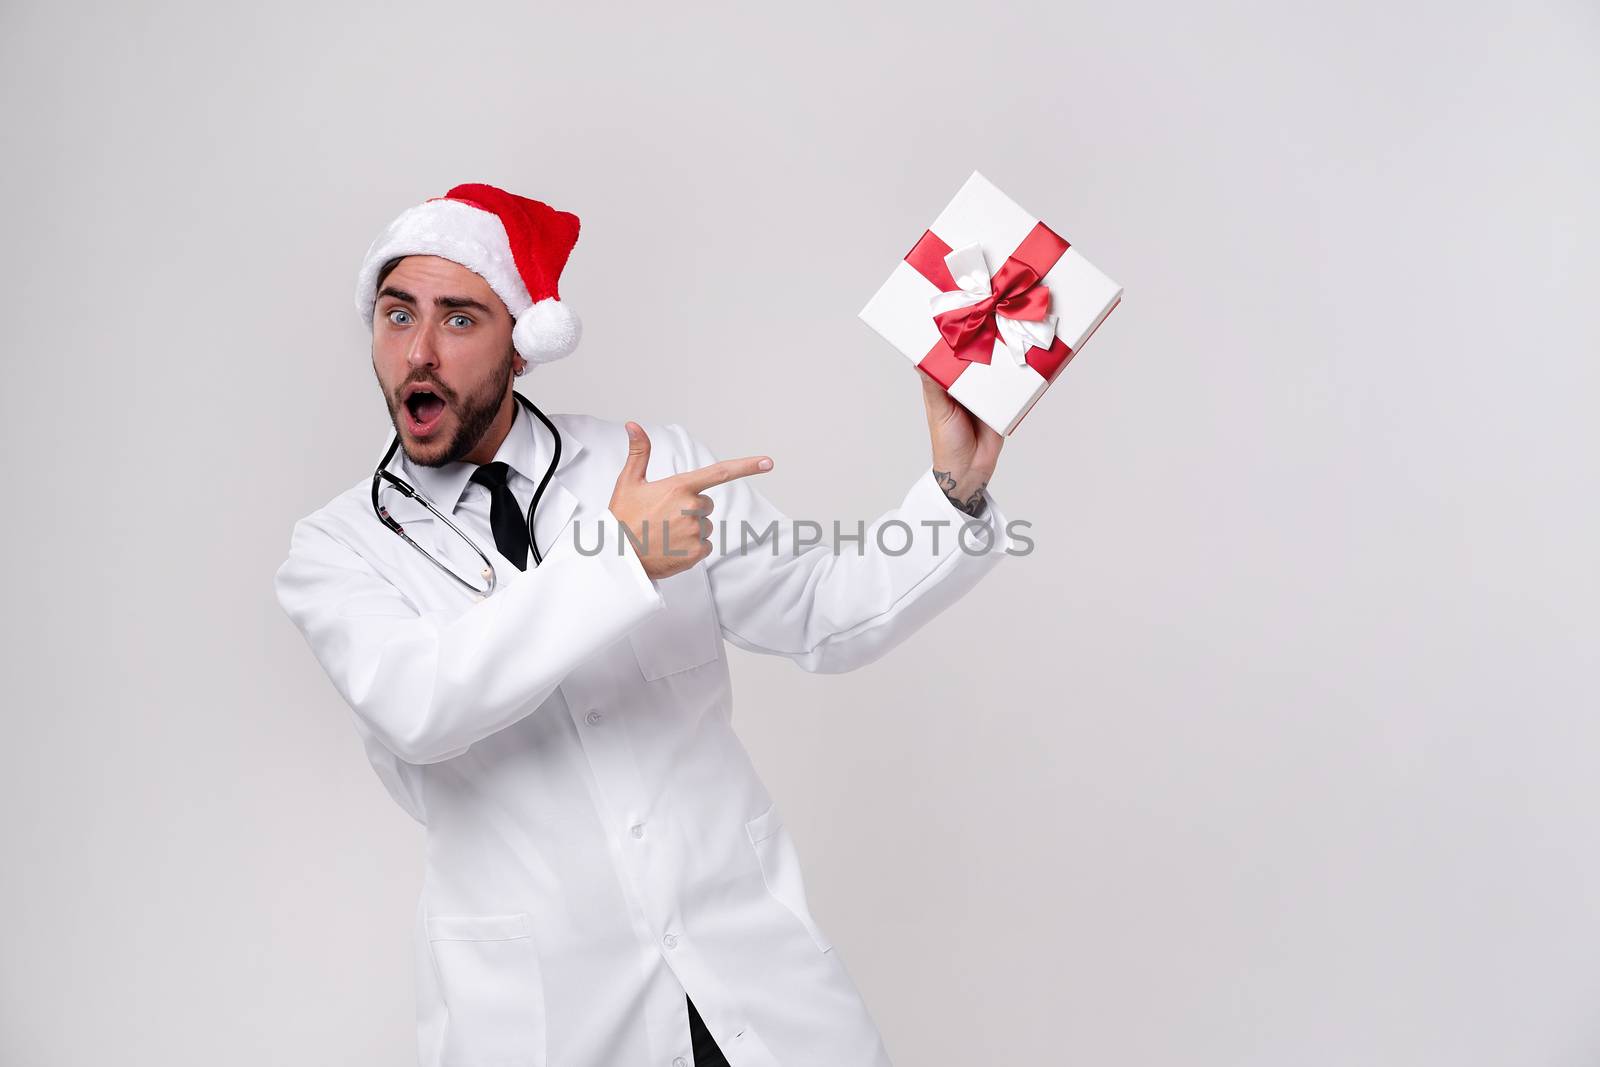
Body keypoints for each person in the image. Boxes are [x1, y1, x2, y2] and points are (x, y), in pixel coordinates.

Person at [273, 181, 1019, 1066]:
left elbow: (823, 615)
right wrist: (618, 561)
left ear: (521, 344)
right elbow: (420, 703)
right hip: (552, 1020)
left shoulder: (657, 466)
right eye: (397, 317)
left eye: (460, 320)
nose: (420, 353)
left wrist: (952, 490)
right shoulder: (337, 548)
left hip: (749, 985)